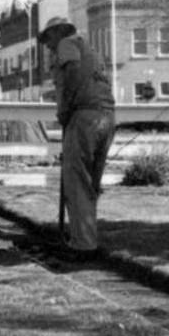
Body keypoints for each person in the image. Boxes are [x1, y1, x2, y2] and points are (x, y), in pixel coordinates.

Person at [38, 16, 115, 260]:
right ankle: (85, 239)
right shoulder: (91, 50)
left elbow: (71, 72)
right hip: (106, 116)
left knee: (77, 181)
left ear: (58, 32)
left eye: (48, 39)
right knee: (90, 184)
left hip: (84, 118)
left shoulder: (66, 44)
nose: (48, 46)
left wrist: (66, 107)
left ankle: (83, 245)